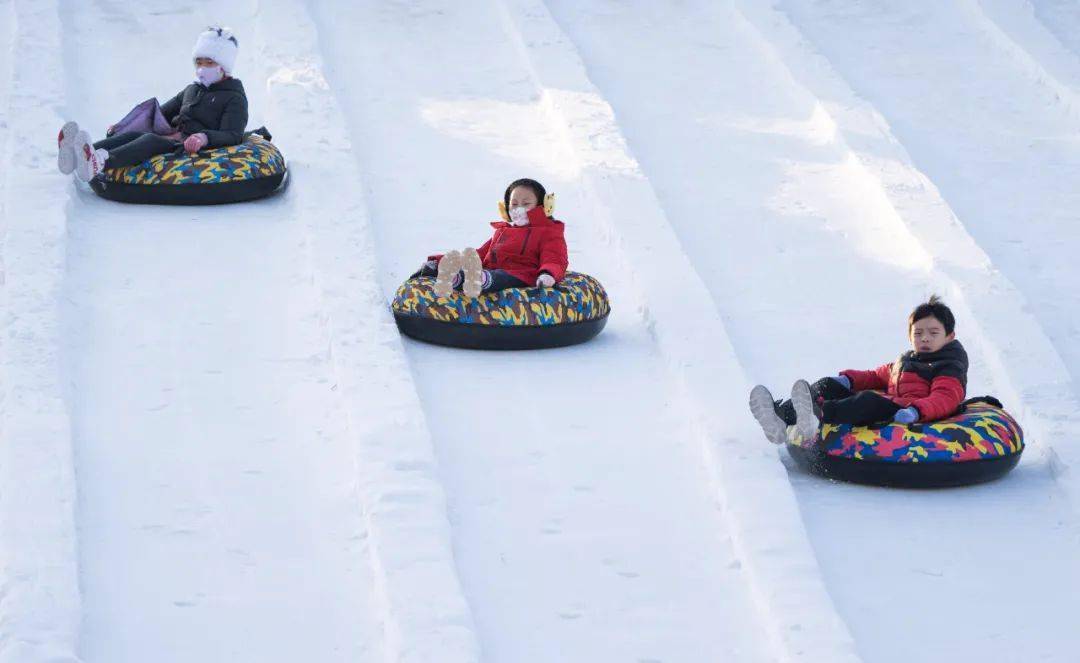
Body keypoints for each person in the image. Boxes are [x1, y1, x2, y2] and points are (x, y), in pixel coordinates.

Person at [749, 296, 969, 444]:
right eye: (918, 333)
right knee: (829, 384)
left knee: (867, 401)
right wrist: (848, 380)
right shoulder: (907, 360)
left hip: (912, 414)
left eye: (933, 332)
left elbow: (944, 398)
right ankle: (780, 417)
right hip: (896, 405)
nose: (925, 338)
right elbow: (876, 376)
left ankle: (818, 415)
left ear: (950, 336)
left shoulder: (948, 366)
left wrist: (916, 411)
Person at [57, 26, 247, 181]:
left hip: (191, 148)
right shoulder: (192, 89)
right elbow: (159, 113)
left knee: (151, 140)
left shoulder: (234, 98)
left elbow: (233, 135)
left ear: (223, 67)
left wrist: (203, 138)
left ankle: (100, 163)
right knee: (133, 134)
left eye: (209, 63)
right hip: (173, 137)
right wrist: (122, 126)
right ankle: (79, 155)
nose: (201, 68)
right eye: (198, 62)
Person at [414, 178, 569, 298]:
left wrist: (548, 274)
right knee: (473, 265)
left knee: (498, 276)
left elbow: (555, 258)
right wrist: (439, 260)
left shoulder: (549, 231)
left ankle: (478, 280)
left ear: (543, 205)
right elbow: (480, 255)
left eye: (526, 203)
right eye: (513, 204)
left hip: (522, 274)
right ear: (506, 208)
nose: (518, 208)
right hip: (491, 269)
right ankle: (456, 276)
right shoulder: (502, 231)